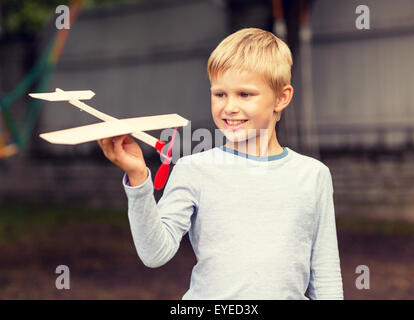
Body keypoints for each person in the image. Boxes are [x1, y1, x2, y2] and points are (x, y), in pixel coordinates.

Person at [97, 28, 343, 300]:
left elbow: (325, 271)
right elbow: (154, 254)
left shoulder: (313, 175)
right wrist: (139, 179)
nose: (229, 107)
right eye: (220, 94)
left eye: (245, 95)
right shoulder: (193, 169)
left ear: (281, 98)